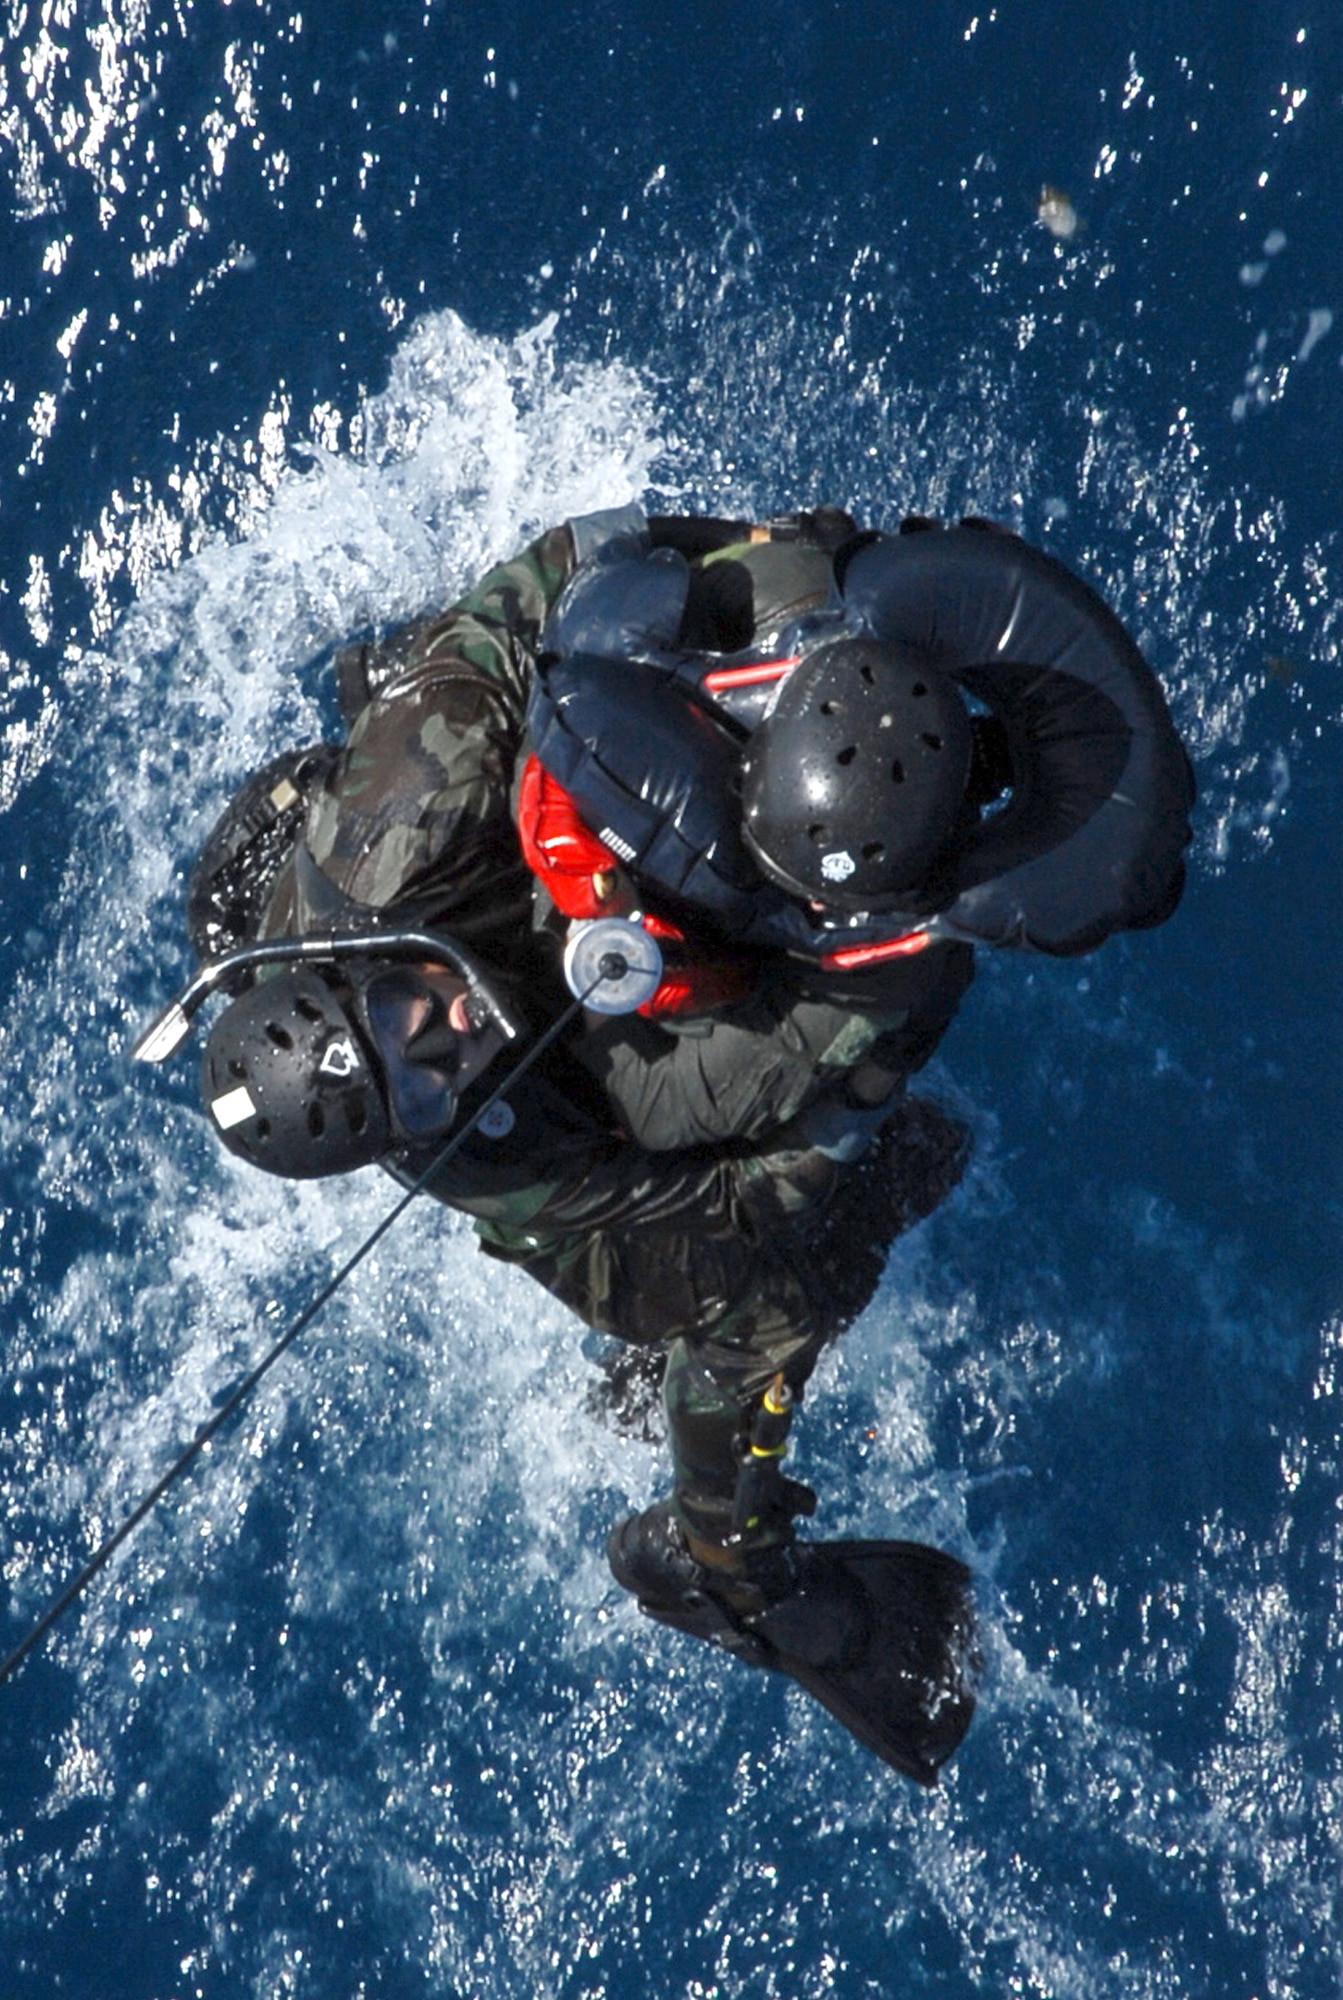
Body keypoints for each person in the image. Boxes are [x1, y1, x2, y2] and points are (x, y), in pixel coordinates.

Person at [152, 501, 1192, 1780]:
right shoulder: (494, 1147)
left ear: (359, 966)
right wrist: (844, 1108)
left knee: (439, 678)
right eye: (419, 1082)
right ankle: (718, 1567)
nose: (446, 1032)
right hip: (552, 1104)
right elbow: (726, 1238)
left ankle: (379, 715)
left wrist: (740, 587)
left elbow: (542, 578)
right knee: (777, 1278)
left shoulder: (400, 824)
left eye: (398, 1009)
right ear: (406, 1131)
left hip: (308, 850)